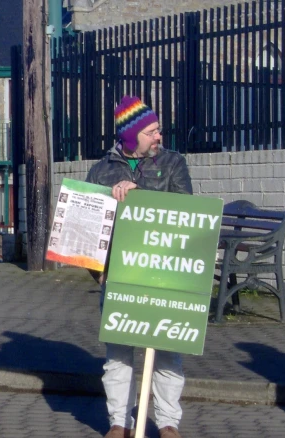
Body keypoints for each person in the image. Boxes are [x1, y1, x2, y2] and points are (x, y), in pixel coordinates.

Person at [86, 96, 192, 438]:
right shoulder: (101, 171)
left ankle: (167, 423)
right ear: (131, 137)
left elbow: (186, 213)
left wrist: (139, 192)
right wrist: (97, 273)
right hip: (119, 275)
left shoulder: (174, 163)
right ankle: (120, 421)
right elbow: (88, 229)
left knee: (167, 351)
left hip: (164, 274)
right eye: (151, 131)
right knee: (118, 354)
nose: (159, 136)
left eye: (158, 129)